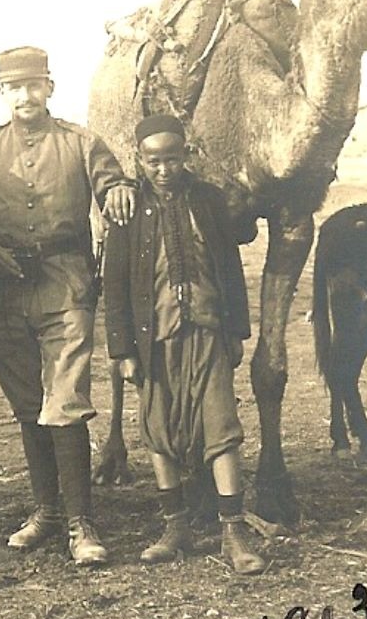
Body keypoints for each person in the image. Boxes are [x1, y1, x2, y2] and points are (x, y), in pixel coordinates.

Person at [0, 47, 135, 567]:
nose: (25, 96)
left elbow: (111, 181)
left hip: (66, 282)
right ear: (2, 93)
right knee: (26, 403)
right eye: (14, 87)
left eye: (34, 85)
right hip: (7, 288)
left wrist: (120, 190)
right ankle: (46, 511)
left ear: (50, 88)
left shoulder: (81, 142)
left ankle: (82, 521)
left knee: (66, 398)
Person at [102, 114, 266, 574]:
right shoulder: (127, 209)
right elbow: (114, 286)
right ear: (139, 159)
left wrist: (237, 331)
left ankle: (233, 532)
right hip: (153, 339)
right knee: (160, 428)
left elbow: (230, 268)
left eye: (172, 158)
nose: (163, 169)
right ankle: (175, 527)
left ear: (186, 155)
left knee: (220, 427)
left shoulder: (209, 201)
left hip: (208, 329)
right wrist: (123, 351)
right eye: (153, 160)